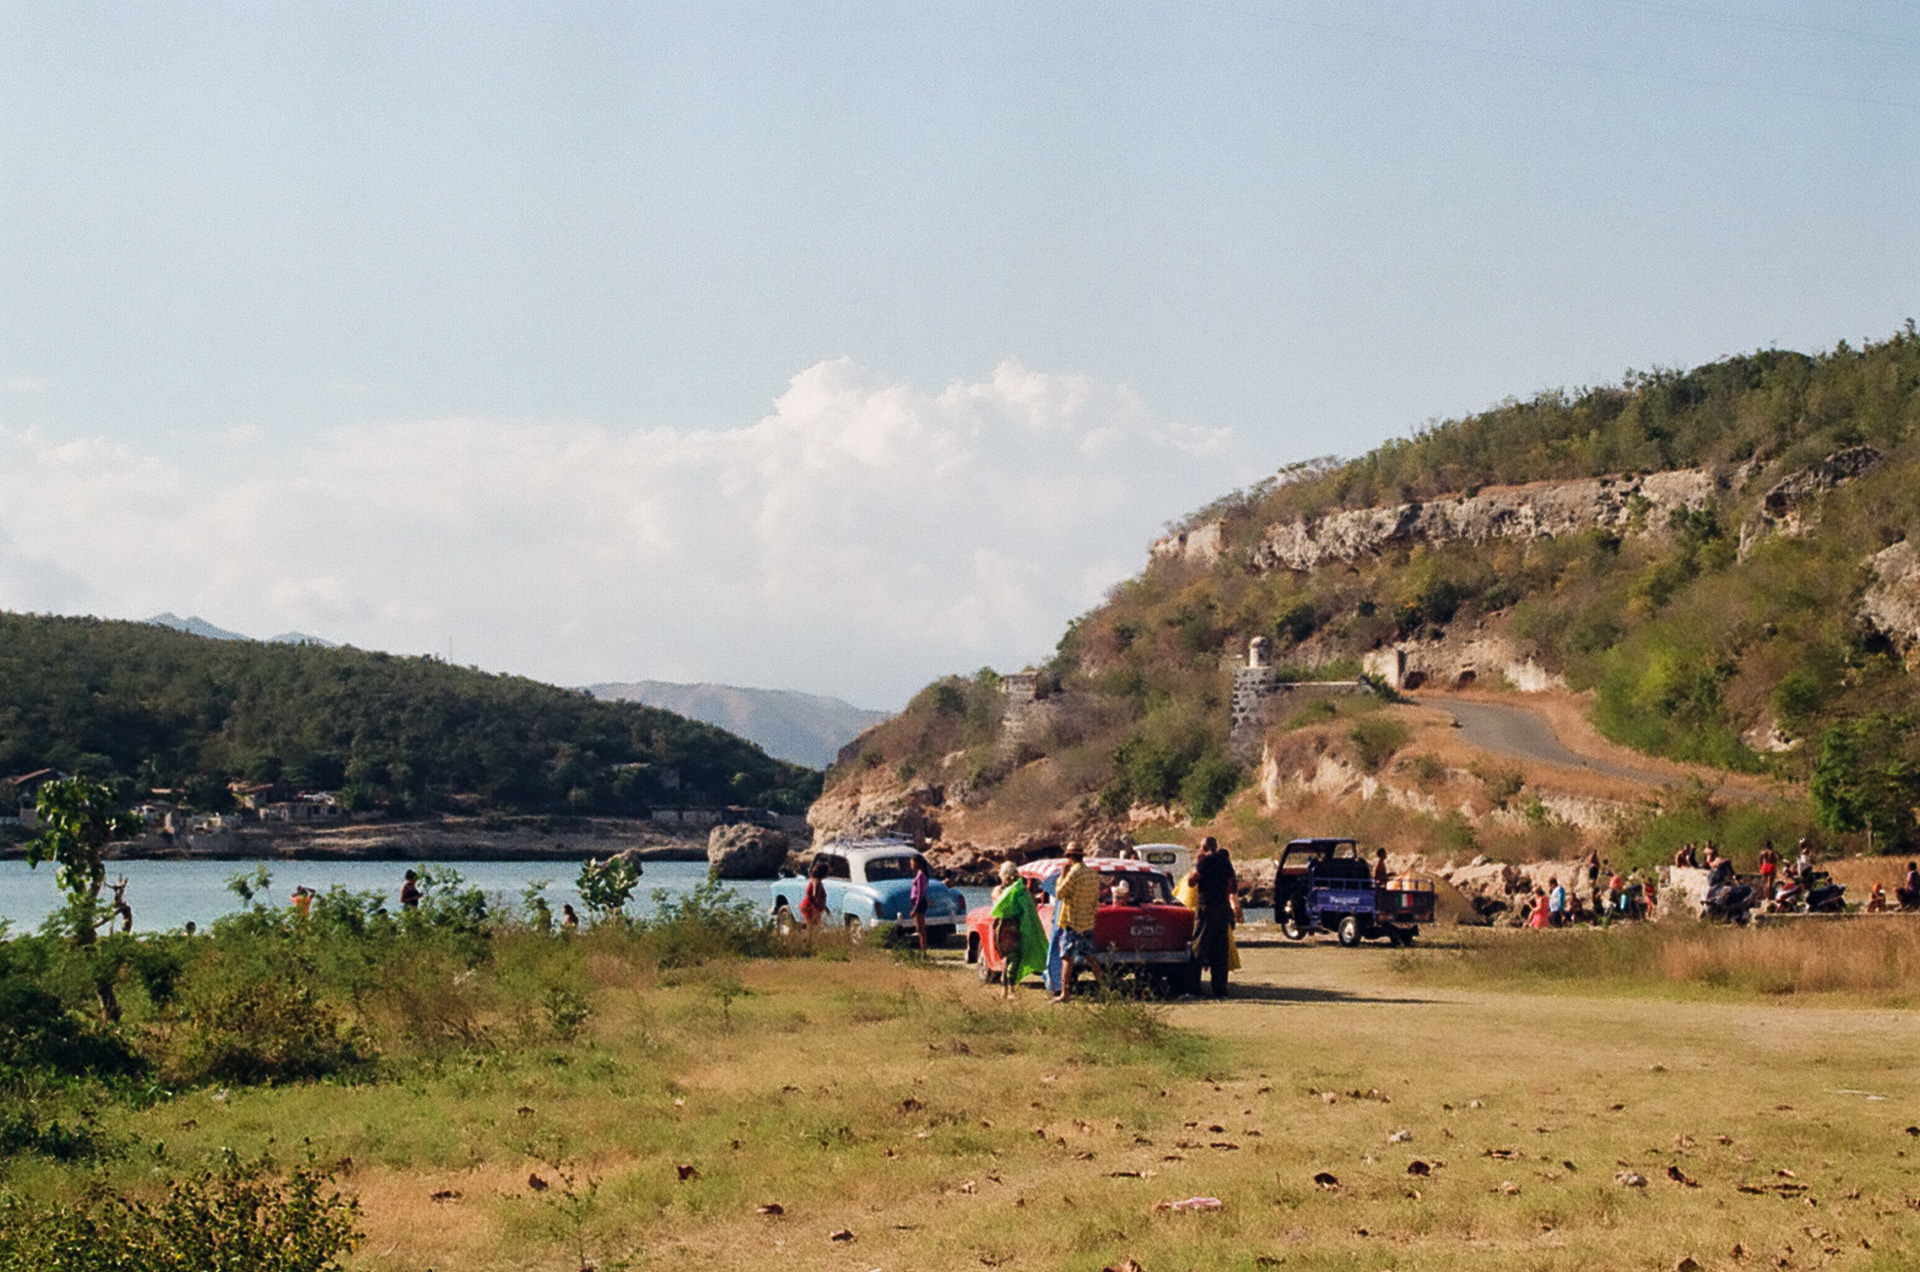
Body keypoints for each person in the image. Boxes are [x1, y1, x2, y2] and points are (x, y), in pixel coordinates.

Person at [1048, 846, 1104, 1002]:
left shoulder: (1073, 873)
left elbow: (1059, 893)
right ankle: (1105, 987)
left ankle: (1065, 993)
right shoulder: (1092, 874)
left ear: (1070, 857)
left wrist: (1062, 875)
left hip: (1072, 921)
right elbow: (1095, 899)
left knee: (1067, 957)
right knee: (1090, 956)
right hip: (1087, 921)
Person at [989, 862, 1047, 1000]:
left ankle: (1005, 991)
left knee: (1012, 958)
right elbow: (1003, 903)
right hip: (1007, 927)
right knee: (1013, 958)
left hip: (1011, 926)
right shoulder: (1003, 890)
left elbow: (1031, 903)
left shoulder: (1018, 890)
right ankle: (1010, 991)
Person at [1192, 836, 1239, 999]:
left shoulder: (1205, 861)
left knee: (1199, 947)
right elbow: (1232, 885)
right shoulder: (1225, 861)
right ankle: (1220, 991)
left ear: (1204, 847)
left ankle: (1194, 989)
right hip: (1223, 907)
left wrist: (1195, 869)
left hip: (1207, 907)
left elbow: (1192, 881)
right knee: (1220, 950)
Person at [909, 855, 932, 952]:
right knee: (919, 928)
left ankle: (923, 949)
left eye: (912, 863)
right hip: (917, 903)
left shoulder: (921, 876)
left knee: (921, 928)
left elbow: (920, 894)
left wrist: (915, 909)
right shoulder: (919, 874)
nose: (911, 866)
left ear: (917, 863)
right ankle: (923, 948)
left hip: (919, 903)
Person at [800, 857, 830, 930]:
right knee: (812, 928)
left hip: (809, 905)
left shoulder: (813, 879)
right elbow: (815, 895)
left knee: (811, 926)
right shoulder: (817, 882)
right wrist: (821, 906)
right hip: (812, 907)